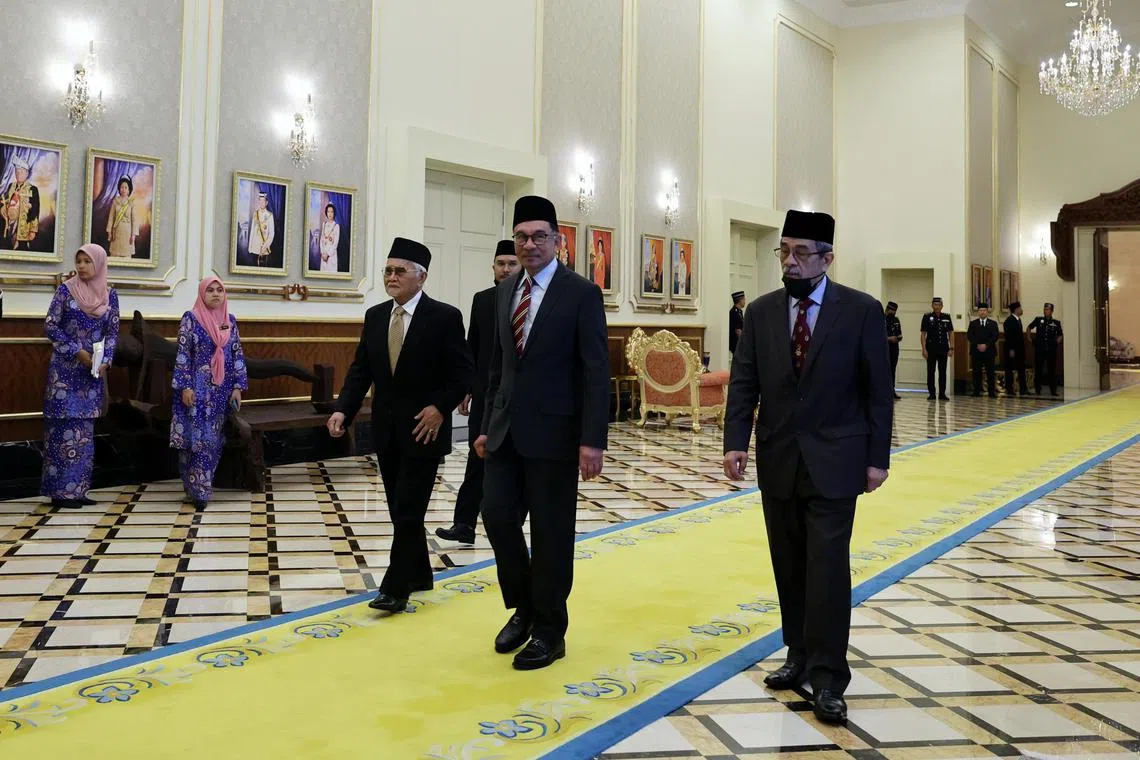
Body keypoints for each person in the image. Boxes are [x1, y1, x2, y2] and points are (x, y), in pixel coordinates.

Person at [723, 209, 893, 726]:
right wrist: (735, 442)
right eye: (784, 251)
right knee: (789, 562)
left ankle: (827, 677)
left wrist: (877, 458)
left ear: (827, 258)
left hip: (837, 460)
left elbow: (877, 391)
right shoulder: (761, 313)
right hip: (778, 457)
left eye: (801, 253)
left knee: (827, 568)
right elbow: (744, 382)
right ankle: (796, 654)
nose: (790, 262)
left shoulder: (860, 311)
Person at [472, 196, 610, 671]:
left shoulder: (581, 293)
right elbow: (498, 368)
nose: (529, 244)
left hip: (556, 435)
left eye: (538, 236)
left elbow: (596, 371)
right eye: (521, 237)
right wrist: (487, 426)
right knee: (494, 515)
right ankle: (525, 605)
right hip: (507, 431)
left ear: (558, 240)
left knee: (552, 535)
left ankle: (551, 629)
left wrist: (593, 440)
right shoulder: (506, 290)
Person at [327, 238, 472, 612]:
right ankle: (421, 572)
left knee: (408, 509)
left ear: (420, 278)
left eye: (399, 271)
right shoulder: (376, 316)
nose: (391, 277)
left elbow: (463, 374)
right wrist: (344, 408)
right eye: (387, 271)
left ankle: (396, 588)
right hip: (386, 431)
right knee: (399, 509)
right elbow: (361, 371)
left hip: (425, 431)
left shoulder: (444, 317)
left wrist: (440, 408)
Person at [437, 240, 521, 545]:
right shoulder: (482, 300)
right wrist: (467, 389)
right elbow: (472, 346)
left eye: (512, 263)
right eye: (501, 263)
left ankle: (509, 524)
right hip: (486, 393)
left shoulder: (530, 300)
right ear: (494, 267)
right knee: (476, 459)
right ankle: (464, 524)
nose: (506, 269)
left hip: (517, 397)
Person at [41, 244, 119, 509]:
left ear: (99, 264)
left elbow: (112, 333)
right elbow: (50, 326)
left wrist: (106, 360)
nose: (82, 266)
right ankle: (60, 492)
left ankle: (78, 490)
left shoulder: (110, 296)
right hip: (65, 373)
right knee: (62, 430)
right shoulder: (66, 292)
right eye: (79, 261)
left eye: (88, 261)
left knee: (84, 433)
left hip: (91, 375)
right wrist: (77, 351)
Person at [170, 276, 248, 510]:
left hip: (220, 393)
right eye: (210, 290)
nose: (215, 294)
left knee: (212, 441)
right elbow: (183, 355)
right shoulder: (191, 319)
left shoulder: (229, 321)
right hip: (195, 390)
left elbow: (237, 355)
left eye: (219, 290)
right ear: (202, 294)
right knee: (192, 441)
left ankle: (201, 490)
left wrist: (237, 388)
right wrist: (185, 386)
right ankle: (195, 489)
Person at [2, 155, 40, 251]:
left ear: (27, 173)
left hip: (24, 228)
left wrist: (33, 230)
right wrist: (2, 208)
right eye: (17, 172)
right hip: (9, 226)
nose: (19, 174)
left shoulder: (33, 189)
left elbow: (35, 210)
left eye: (22, 172)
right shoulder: (11, 186)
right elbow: (5, 201)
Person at [920, 297, 954, 400]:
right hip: (931, 349)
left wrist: (951, 347)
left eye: (939, 305)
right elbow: (923, 334)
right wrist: (924, 349)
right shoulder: (927, 317)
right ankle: (932, 393)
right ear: (932, 305)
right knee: (931, 371)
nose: (937, 307)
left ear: (942, 306)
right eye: (935, 305)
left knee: (942, 371)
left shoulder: (946, 317)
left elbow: (951, 333)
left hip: (943, 348)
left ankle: (942, 393)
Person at [1027, 303, 1063, 396]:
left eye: (1047, 309)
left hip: (1051, 350)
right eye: (1045, 309)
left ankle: (1053, 390)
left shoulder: (1056, 322)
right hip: (1040, 349)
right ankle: (1037, 389)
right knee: (1039, 369)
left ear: (1051, 311)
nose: (1045, 311)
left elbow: (1060, 334)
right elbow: (1029, 327)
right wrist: (1029, 338)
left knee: (1052, 370)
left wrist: (1056, 343)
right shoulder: (1039, 320)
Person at [967, 303, 999, 398]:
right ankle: (976, 391)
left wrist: (986, 345)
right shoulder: (973, 323)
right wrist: (978, 345)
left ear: (987, 312)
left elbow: (995, 336)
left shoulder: (993, 324)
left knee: (990, 372)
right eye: (980, 310)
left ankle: (991, 392)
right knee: (976, 372)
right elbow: (970, 336)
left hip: (989, 352)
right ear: (978, 312)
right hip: (976, 351)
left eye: (984, 310)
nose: (982, 312)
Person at [106, 176, 140, 258]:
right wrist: (109, 232)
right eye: (122, 187)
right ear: (119, 188)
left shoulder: (131, 202)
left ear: (129, 190)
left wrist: (133, 235)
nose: (123, 189)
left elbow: (134, 220)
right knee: (115, 255)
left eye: (125, 187)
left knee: (126, 257)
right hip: (116, 232)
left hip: (127, 234)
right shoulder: (115, 201)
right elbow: (111, 218)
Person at [1003, 301, 1028, 395]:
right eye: (1020, 308)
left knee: (1021, 369)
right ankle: (1009, 389)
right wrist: (1011, 349)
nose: (1021, 310)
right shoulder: (1009, 321)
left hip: (1019, 350)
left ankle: (1023, 389)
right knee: (1009, 369)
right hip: (1012, 350)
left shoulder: (1018, 320)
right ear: (1016, 310)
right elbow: (1009, 337)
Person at [250, 191, 275, 266]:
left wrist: (266, 246)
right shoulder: (255, 214)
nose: (261, 203)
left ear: (266, 203)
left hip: (264, 248)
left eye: (263, 201)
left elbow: (272, 233)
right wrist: (250, 247)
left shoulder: (269, 215)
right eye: (260, 200)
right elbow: (252, 231)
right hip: (255, 247)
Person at [885, 301, 902, 400]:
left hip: (894, 348)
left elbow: (899, 332)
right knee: (884, 370)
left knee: (892, 370)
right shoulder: (881, 319)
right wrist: (889, 338)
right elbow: (877, 335)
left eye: (895, 311)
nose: (894, 313)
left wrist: (899, 337)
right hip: (884, 348)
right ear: (887, 309)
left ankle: (892, 391)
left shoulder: (896, 320)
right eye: (892, 311)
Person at [319, 203, 340, 273]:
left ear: (334, 213)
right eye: (328, 211)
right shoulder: (324, 224)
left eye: (332, 212)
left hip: (331, 256)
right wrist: (322, 253)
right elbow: (321, 240)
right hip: (323, 255)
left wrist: (327, 254)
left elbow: (335, 244)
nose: (330, 214)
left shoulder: (336, 226)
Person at [729, 291, 745, 355]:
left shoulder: (739, 311)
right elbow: (738, 331)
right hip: (736, 344)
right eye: (743, 299)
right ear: (739, 300)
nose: (744, 301)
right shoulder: (734, 312)